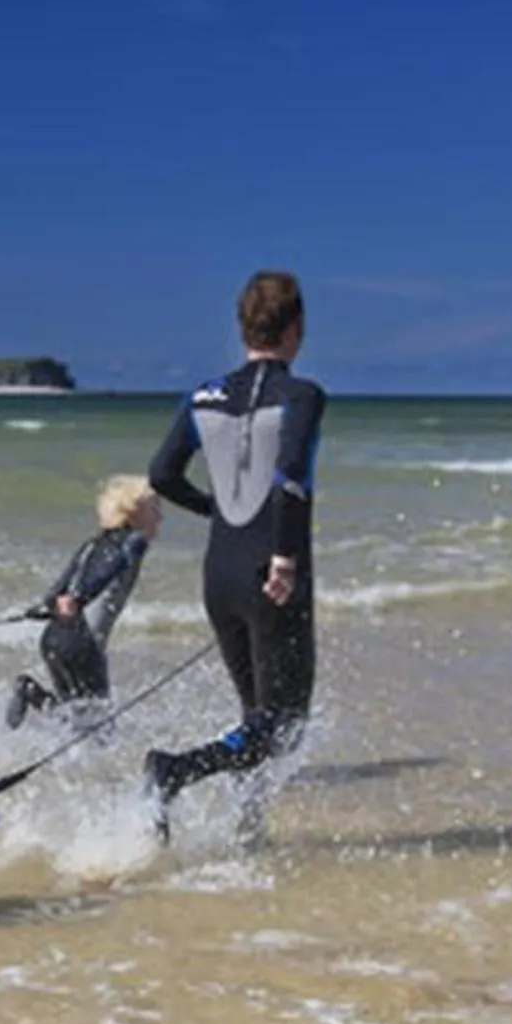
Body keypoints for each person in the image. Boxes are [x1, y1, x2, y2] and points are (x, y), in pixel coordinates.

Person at [142, 271, 326, 829]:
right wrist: (285, 558)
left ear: (242, 327)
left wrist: (216, 511)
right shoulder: (304, 395)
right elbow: (291, 473)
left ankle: (249, 827)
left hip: (218, 575)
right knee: (284, 726)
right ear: (296, 328)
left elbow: (161, 475)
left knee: (256, 720)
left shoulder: (202, 396)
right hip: (274, 575)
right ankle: (175, 769)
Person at [6, 475, 162, 727]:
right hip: (83, 643)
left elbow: (55, 591)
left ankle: (31, 692)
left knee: (74, 720)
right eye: (155, 509)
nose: (160, 517)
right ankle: (29, 691)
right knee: (99, 729)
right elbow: (114, 566)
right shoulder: (135, 540)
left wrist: (46, 607)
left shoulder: (91, 544)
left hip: (53, 638)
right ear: (134, 512)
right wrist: (79, 598)